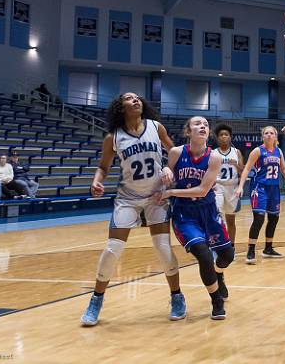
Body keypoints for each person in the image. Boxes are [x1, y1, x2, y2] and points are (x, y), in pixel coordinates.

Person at [80, 92, 183, 327]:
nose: (136, 100)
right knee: (112, 249)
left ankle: (177, 297)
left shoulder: (156, 127)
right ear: (120, 107)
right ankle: (96, 300)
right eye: (129, 98)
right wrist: (97, 181)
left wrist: (169, 168)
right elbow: (103, 167)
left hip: (156, 197)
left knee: (163, 249)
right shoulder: (113, 137)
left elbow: (175, 152)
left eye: (138, 98)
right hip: (127, 198)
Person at [162, 116, 234, 320]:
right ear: (188, 131)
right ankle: (216, 301)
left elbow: (203, 191)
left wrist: (172, 193)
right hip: (185, 214)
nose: (202, 126)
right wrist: (166, 169)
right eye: (197, 124)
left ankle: (219, 274)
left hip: (208, 211)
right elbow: (169, 179)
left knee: (227, 255)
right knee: (203, 255)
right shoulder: (176, 153)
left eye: (206, 125)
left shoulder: (214, 157)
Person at [236, 126, 285, 263]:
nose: (269, 135)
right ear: (263, 136)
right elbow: (246, 168)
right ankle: (251, 250)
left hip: (274, 188)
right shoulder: (257, 151)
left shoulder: (278, 151)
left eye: (272, 133)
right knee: (259, 218)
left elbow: (283, 168)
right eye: (266, 133)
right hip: (259, 188)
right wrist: (240, 186)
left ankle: (268, 248)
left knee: (274, 218)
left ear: (275, 136)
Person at [212, 124, 244, 256]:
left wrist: (235, 164)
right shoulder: (213, 153)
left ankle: (231, 246)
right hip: (218, 187)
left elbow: (243, 170)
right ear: (217, 138)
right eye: (221, 135)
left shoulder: (236, 152)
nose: (224, 137)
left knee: (231, 220)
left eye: (226, 135)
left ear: (230, 137)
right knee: (216, 217)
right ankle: (218, 245)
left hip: (232, 187)